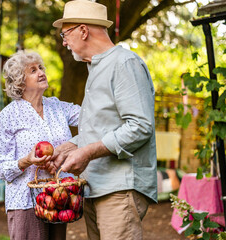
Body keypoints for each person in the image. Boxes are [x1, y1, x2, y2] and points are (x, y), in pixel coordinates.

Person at [48, 0, 158, 239]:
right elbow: (104, 129)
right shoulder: (96, 69)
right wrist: (72, 147)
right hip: (96, 187)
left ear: (83, 30)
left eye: (65, 34)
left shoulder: (124, 63)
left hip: (119, 189)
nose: (64, 41)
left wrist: (87, 153)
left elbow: (140, 127)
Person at [0, 50, 81, 240]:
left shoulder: (57, 107)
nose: (41, 72)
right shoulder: (9, 115)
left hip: (59, 197)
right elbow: (0, 168)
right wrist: (26, 160)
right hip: (24, 201)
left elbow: (90, 117)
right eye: (33, 70)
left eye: (41, 68)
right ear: (19, 82)